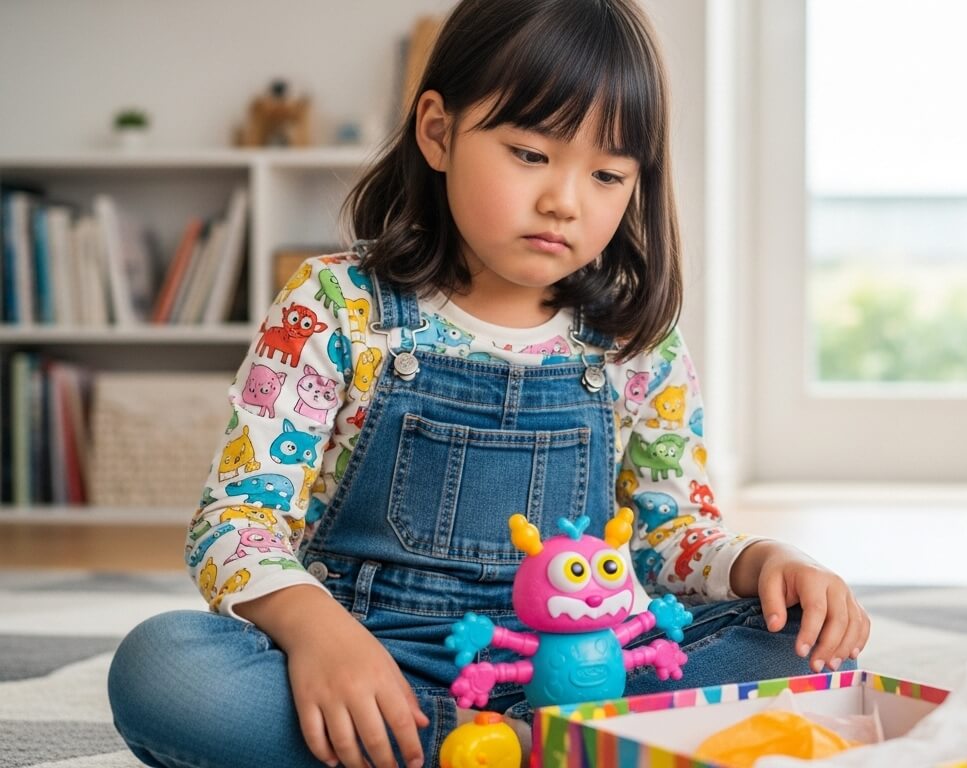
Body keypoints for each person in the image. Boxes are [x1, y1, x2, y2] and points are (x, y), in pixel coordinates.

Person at [107, 1, 869, 766]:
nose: (564, 200)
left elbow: (668, 537)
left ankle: (512, 748)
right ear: (438, 132)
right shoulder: (335, 307)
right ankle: (537, 753)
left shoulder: (639, 343)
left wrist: (766, 563)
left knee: (809, 650)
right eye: (530, 154)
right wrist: (317, 633)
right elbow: (236, 520)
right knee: (165, 668)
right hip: (375, 678)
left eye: (606, 174)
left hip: (586, 678)